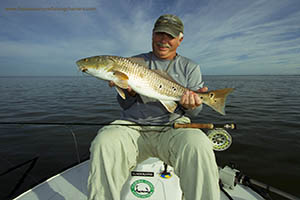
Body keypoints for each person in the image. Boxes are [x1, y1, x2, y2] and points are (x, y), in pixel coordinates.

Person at [87, 14, 220, 200]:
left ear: (180, 40)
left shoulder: (190, 67)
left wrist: (191, 105)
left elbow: (196, 112)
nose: (164, 41)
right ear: (152, 35)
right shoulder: (132, 62)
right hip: (133, 128)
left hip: (173, 129)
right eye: (160, 34)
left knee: (199, 144)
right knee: (104, 142)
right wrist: (130, 93)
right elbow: (124, 103)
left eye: (170, 36)